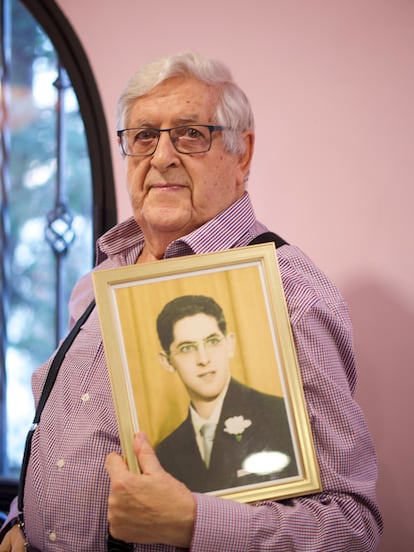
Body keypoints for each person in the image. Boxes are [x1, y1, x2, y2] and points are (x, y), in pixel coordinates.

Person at [0, 51, 382, 551]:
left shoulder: (291, 296)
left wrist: (193, 522)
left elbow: (352, 528)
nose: (161, 157)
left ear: (241, 153)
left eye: (190, 133)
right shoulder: (102, 278)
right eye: (143, 136)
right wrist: (19, 521)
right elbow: (64, 435)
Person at [155, 294, 297, 492]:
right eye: (187, 348)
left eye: (212, 342)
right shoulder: (163, 454)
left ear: (229, 345)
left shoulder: (283, 416)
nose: (203, 359)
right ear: (167, 361)